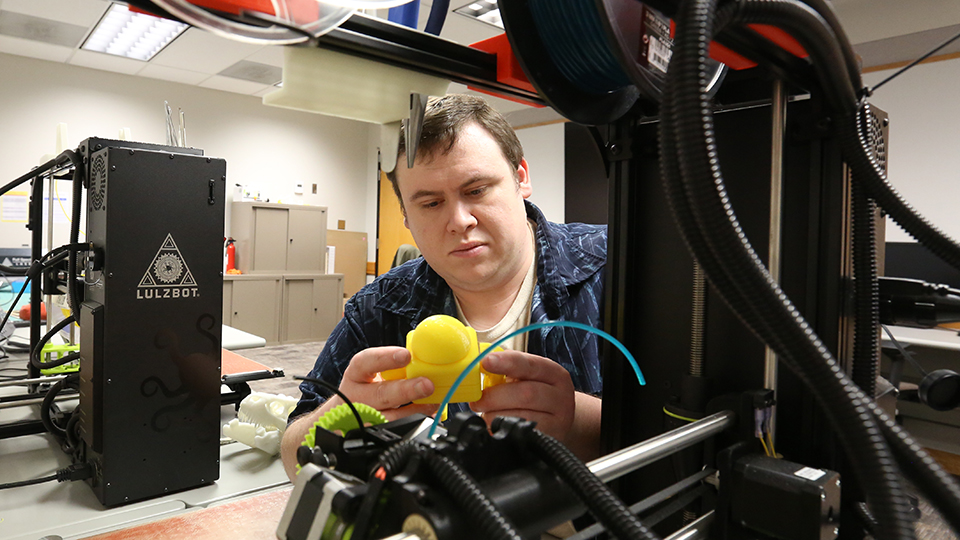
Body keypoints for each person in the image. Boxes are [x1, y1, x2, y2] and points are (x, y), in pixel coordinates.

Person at [280, 94, 607, 480]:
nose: (459, 220)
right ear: (405, 214)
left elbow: (688, 436)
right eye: (431, 204)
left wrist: (577, 422)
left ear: (521, 178)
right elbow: (291, 452)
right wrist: (339, 420)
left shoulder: (623, 267)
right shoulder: (379, 306)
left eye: (476, 190)